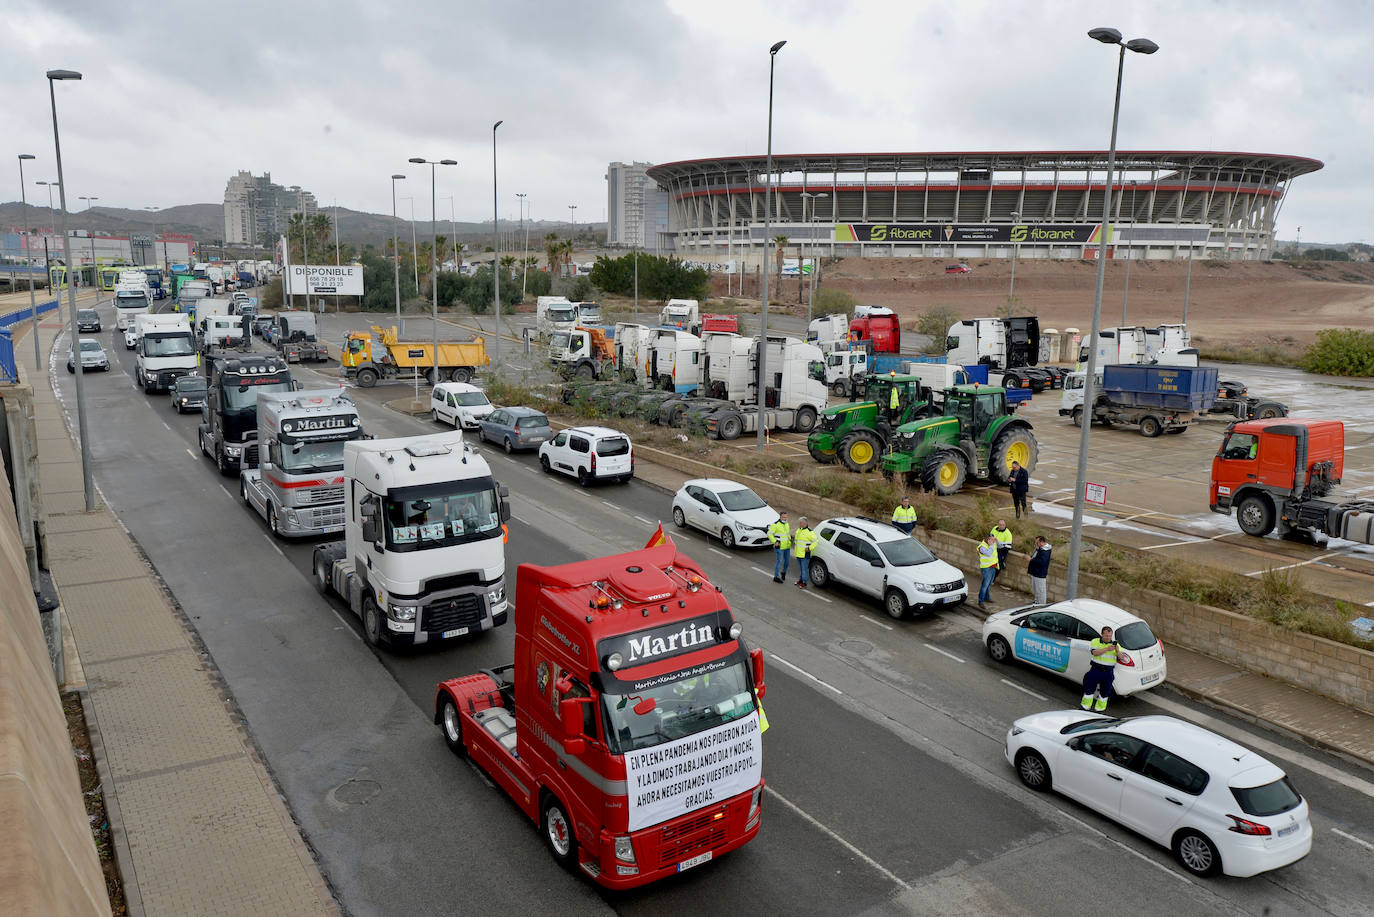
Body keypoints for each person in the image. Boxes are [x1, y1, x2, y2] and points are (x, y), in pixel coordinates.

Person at [1081, 626, 1118, 712]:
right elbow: (1095, 653)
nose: (1108, 638)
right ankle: (1085, 708)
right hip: (1096, 670)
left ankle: (1099, 710)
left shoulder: (1116, 644)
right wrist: (1107, 649)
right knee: (1089, 689)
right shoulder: (1095, 641)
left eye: (1110, 636)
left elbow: (1121, 657)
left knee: (1105, 692)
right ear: (1102, 635)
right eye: (1106, 636)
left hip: (1108, 673)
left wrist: (1118, 651)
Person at [768, 512, 792, 584]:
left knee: (787, 561)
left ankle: (783, 572)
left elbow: (787, 534)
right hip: (780, 547)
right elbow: (769, 534)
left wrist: (790, 540)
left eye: (786, 517)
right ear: (780, 517)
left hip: (787, 546)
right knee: (779, 561)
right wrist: (775, 541)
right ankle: (776, 577)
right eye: (783, 517)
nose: (785, 518)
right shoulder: (775, 525)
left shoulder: (787, 524)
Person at [1027, 535, 1051, 605]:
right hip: (1035, 572)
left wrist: (1031, 560)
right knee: (1036, 589)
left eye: (1037, 542)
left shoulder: (1045, 550)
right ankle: (1037, 601)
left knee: (1041, 590)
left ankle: (1041, 604)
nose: (1036, 544)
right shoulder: (1040, 548)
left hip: (1040, 573)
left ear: (1042, 542)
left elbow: (1042, 562)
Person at [976, 533, 999, 609]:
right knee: (985, 585)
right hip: (986, 568)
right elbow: (989, 554)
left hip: (993, 567)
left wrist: (997, 541)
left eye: (993, 539)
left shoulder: (992, 543)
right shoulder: (982, 547)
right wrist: (992, 545)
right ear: (987, 539)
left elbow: (1001, 546)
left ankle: (987, 598)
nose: (993, 540)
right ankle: (980, 601)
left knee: (989, 584)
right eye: (991, 539)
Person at [793, 517, 817, 588]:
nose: (799, 524)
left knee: (804, 569)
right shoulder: (799, 530)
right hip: (798, 553)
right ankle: (801, 580)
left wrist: (809, 548)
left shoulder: (810, 532)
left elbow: (816, 542)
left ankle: (804, 583)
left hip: (805, 554)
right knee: (801, 568)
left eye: (800, 523)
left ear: (804, 523)